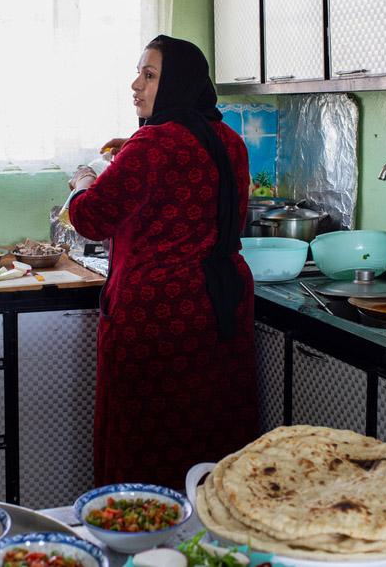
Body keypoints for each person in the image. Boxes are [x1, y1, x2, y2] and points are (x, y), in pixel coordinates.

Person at [67, 35, 259, 488]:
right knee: (212, 436)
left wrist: (82, 181)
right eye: (139, 72)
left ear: (175, 84)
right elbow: (187, 178)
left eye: (149, 76)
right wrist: (130, 150)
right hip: (220, 308)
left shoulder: (151, 147)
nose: (135, 84)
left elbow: (90, 218)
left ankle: (143, 541)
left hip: (157, 316)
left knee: (145, 443)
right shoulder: (229, 140)